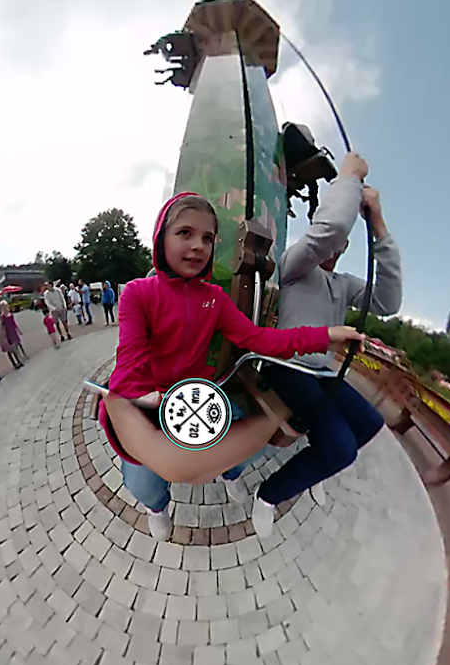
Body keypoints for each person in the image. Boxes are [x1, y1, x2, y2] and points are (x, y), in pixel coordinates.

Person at [99, 192, 363, 541]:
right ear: (161, 238)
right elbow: (129, 361)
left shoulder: (214, 299)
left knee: (248, 436)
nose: (198, 246)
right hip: (150, 401)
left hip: (199, 395)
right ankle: (157, 507)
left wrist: (325, 336)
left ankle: (230, 473)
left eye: (207, 238)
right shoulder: (138, 293)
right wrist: (143, 401)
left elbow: (260, 339)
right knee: (142, 481)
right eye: (185, 233)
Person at [247, 151, 403, 537]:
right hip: (286, 363)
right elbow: (328, 232)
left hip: (321, 372)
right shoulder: (296, 266)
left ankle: (314, 468)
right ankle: (268, 495)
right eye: (330, 243)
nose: (333, 250)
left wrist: (378, 225)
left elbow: (388, 302)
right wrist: (348, 177)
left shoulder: (343, 285)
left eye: (341, 246)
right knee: (340, 448)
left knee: (369, 425)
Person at [0, 301, 26, 369]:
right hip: (8, 333)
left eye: (6, 306)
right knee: (11, 348)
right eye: (3, 307)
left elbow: (14, 323)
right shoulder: (2, 317)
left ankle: (19, 360)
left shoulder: (10, 315)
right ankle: (15, 363)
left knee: (16, 345)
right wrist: (4, 335)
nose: (5, 308)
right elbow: (2, 326)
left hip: (13, 332)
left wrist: (18, 330)